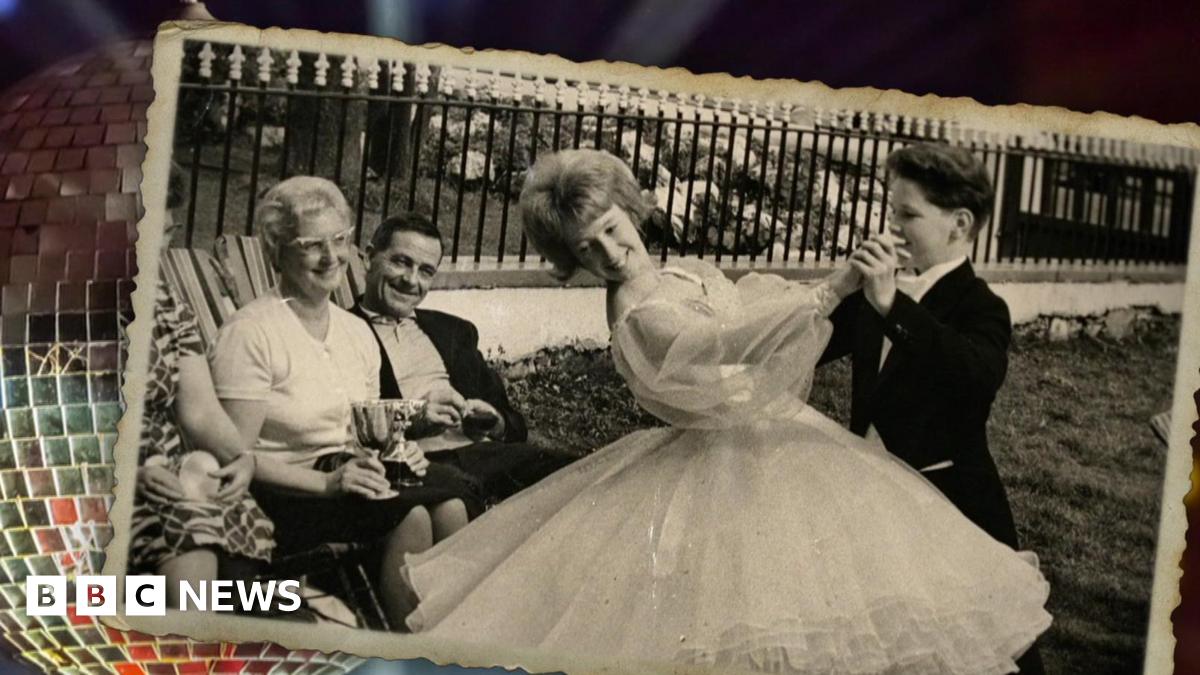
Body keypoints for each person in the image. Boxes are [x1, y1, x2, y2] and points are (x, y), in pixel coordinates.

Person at [399, 149, 1051, 673]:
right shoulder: (637, 308)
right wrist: (832, 289)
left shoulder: (680, 274)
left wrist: (823, 305)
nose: (608, 251)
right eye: (586, 247)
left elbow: (758, 312)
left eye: (611, 229)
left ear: (632, 210)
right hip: (719, 464)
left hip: (776, 445)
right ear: (571, 258)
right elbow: (722, 344)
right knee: (736, 616)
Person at [208, 176, 475, 628]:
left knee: (450, 504)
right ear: (277, 250)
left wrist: (396, 450)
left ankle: (459, 639)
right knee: (409, 515)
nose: (331, 257)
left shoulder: (355, 333)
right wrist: (328, 487)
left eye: (338, 240)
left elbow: (365, 428)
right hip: (283, 495)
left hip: (350, 477)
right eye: (312, 244)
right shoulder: (251, 334)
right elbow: (230, 458)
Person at [822, 141, 1045, 674]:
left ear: (959, 224)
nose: (891, 227)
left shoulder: (982, 306)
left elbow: (974, 375)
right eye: (890, 211)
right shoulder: (880, 289)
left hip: (951, 504)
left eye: (908, 215)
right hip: (873, 504)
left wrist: (891, 307)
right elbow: (811, 341)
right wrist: (835, 292)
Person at [350, 212, 574, 510]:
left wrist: (494, 421)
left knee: (583, 474)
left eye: (426, 271)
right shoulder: (344, 330)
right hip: (417, 463)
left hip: (484, 454)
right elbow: (348, 421)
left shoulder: (454, 331)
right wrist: (417, 418)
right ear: (369, 258)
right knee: (461, 493)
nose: (411, 280)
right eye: (401, 262)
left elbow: (513, 425)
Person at [130, 167, 273, 608]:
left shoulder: (164, 301)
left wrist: (243, 459)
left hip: (169, 470)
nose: (156, 248)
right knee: (187, 526)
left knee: (219, 503)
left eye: (167, 233)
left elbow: (201, 411)